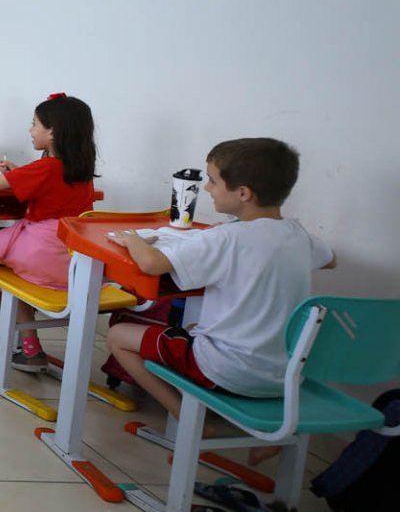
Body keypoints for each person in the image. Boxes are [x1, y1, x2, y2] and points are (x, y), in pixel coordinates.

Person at [103, 138, 334, 414]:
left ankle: (182, 414)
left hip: (225, 371)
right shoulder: (298, 235)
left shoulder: (226, 238)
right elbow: (331, 259)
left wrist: (132, 241)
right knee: (190, 330)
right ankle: (271, 432)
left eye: (213, 180)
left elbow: (152, 264)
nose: (207, 188)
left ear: (243, 193)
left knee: (118, 335)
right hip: (283, 377)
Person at [0, 94, 100, 372]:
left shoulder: (45, 167)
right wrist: (20, 173)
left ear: (53, 132)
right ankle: (20, 331)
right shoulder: (83, 171)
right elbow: (45, 182)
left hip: (43, 254)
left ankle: (30, 346)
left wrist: (4, 175)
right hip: (74, 261)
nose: (30, 130)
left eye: (34, 124)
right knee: (4, 253)